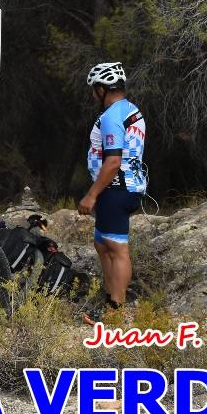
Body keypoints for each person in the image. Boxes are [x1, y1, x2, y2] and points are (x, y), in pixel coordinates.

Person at [77, 62, 147, 321]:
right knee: (102, 242)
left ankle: (114, 312)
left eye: (94, 90)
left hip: (115, 188)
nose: (93, 95)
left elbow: (113, 161)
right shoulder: (131, 109)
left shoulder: (111, 117)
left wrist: (91, 194)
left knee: (116, 248)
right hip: (126, 187)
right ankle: (110, 300)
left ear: (101, 89)